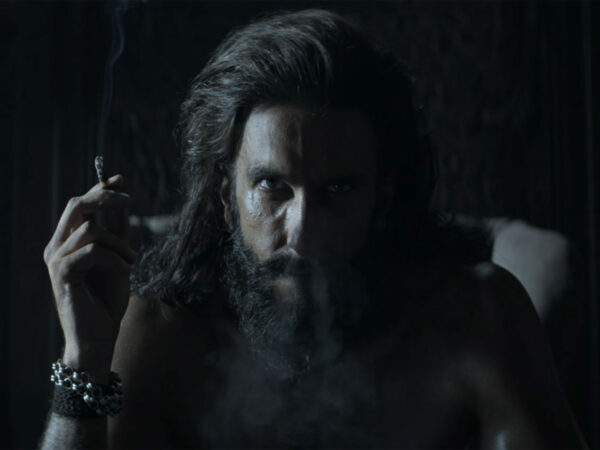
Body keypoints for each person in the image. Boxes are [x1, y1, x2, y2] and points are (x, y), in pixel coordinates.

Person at [41, 9, 586, 449]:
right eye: (272, 187)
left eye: (338, 190)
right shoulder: (164, 334)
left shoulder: (475, 319)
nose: (303, 235)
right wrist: (84, 360)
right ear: (226, 198)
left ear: (382, 197)